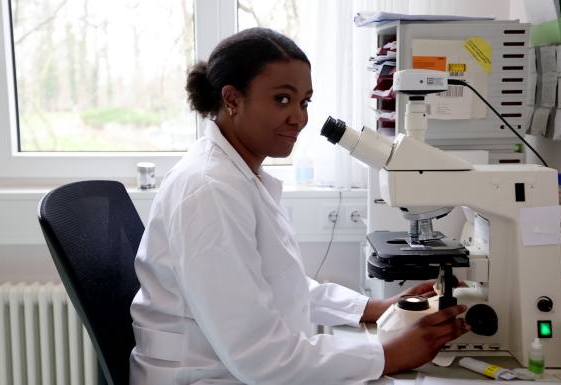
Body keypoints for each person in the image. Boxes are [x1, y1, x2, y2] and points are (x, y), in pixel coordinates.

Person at [129, 27, 469, 385]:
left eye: (304, 102)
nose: (299, 117)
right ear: (232, 99)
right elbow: (261, 358)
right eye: (282, 99)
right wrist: (387, 355)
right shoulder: (209, 190)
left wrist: (372, 308)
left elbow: (277, 283)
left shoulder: (237, 175)